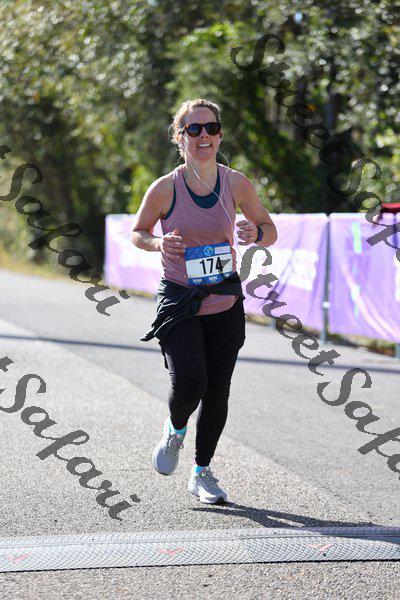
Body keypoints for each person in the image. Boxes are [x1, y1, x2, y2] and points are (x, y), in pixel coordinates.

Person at [131, 98, 277, 504]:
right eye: (193, 129)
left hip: (223, 299)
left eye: (210, 128)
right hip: (180, 299)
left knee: (217, 391)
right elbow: (138, 232)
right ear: (179, 138)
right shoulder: (165, 188)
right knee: (189, 383)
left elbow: (269, 229)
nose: (203, 136)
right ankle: (176, 429)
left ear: (219, 136)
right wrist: (158, 242)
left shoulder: (236, 183)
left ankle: (202, 472)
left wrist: (255, 234)